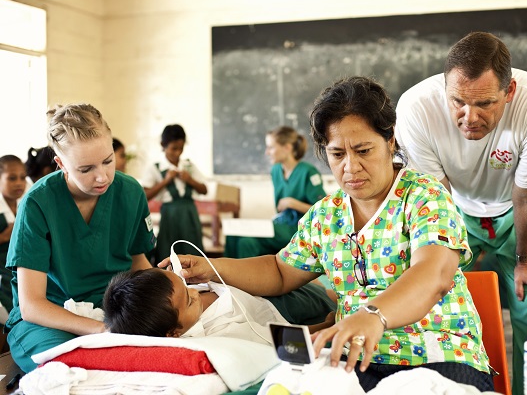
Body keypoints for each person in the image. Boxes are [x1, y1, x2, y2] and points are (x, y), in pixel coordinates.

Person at [161, 76, 494, 392]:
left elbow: (432, 273)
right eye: (337, 154)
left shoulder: (423, 196)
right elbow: (279, 271)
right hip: (353, 361)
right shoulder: (326, 215)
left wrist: (372, 315)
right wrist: (211, 267)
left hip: (438, 357)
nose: (350, 167)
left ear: (390, 140)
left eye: (363, 150)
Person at [395, 31, 527, 395]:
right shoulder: (416, 109)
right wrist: (440, 268)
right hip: (456, 211)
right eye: (457, 101)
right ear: (443, 87)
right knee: (442, 303)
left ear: (509, 93)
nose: (468, 116)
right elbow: (436, 200)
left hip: (518, 211)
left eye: (485, 104)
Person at [4, 103, 156, 373]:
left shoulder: (130, 192)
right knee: (71, 369)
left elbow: (137, 261)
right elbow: (31, 305)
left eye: (108, 161)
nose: (102, 176)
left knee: (160, 355)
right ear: (61, 163)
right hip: (49, 318)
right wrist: (101, 330)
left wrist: (166, 293)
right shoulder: (38, 203)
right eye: (86, 169)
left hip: (114, 308)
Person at [103, 268, 335, 343]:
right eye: (190, 299)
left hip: (263, 292)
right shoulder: (216, 332)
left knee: (319, 289)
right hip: (281, 312)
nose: (193, 291)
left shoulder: (176, 299)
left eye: (186, 286)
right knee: (329, 300)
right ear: (174, 333)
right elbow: (278, 340)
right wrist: (324, 327)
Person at [224, 126, 326, 258]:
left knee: (243, 232)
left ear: (287, 148)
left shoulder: (308, 172)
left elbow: (323, 212)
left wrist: (292, 203)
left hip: (298, 229)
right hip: (280, 225)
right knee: (242, 240)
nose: (267, 152)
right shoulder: (276, 170)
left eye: (271, 147)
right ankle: (225, 277)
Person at [141, 124, 208, 261]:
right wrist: (165, 182)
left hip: (189, 214)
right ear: (163, 145)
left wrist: (190, 180)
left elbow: (204, 190)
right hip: (169, 215)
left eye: (181, 148)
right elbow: (145, 195)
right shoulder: (156, 168)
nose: (177, 153)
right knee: (169, 251)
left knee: (193, 251)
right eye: (173, 149)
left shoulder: (189, 166)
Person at [0, 155, 26, 321]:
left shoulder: (26, 202)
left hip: (19, 269)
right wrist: (4, 236)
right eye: (12, 178)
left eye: (22, 178)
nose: (19, 183)